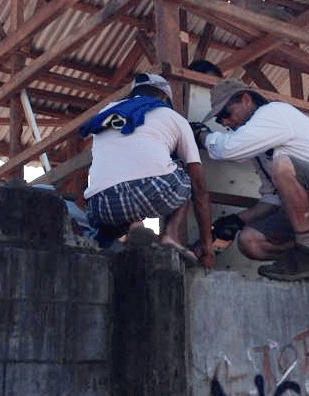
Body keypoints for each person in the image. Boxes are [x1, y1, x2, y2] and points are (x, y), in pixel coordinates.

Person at [193, 79, 309, 282]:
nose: (226, 123)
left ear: (246, 99)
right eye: (220, 121)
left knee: (282, 165)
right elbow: (273, 199)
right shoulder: (263, 150)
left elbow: (228, 149)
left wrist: (203, 136)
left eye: (225, 115)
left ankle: (308, 255)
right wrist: (237, 220)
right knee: (249, 242)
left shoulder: (274, 112)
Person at [81, 73, 214, 269]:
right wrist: (208, 249)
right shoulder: (173, 117)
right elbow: (200, 189)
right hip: (150, 194)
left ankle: (134, 227)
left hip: (100, 206)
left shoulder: (107, 111)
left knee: (125, 173)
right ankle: (171, 235)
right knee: (184, 172)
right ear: (166, 97)